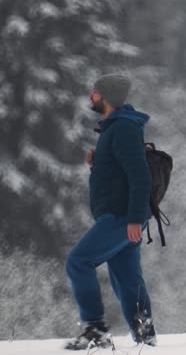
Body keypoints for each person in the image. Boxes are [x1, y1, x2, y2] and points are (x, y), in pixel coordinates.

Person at [65, 74, 156, 350]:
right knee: (127, 279)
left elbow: (141, 177)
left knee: (78, 261)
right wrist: (98, 164)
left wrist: (133, 218)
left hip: (121, 217)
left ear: (106, 97)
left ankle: (95, 329)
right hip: (120, 215)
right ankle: (145, 336)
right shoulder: (115, 129)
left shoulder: (123, 129)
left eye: (94, 92)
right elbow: (121, 175)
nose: (90, 97)